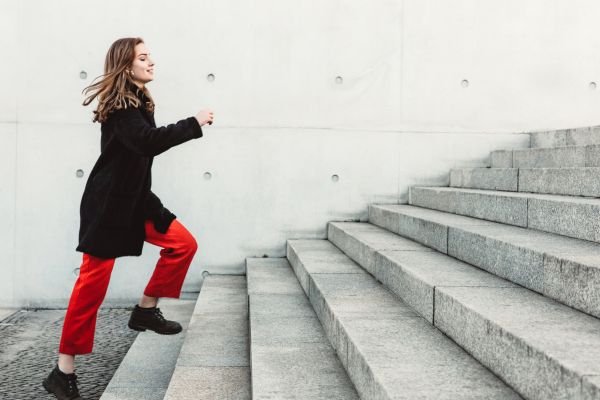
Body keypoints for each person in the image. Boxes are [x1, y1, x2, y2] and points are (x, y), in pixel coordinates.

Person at [42, 37, 214, 400]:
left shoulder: (139, 101)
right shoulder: (121, 107)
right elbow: (148, 142)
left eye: (151, 56)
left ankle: (146, 310)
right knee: (91, 289)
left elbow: (142, 149)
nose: (152, 62)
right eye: (143, 57)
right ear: (126, 66)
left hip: (137, 201)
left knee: (183, 244)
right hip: (108, 207)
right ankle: (63, 370)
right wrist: (193, 123)